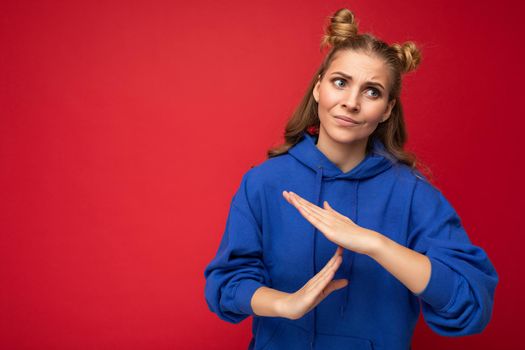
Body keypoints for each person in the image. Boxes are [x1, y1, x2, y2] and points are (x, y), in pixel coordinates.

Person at [203, 8, 499, 350]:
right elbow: (227, 284)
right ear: (318, 89)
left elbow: (470, 306)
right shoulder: (263, 183)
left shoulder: (414, 195)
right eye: (340, 82)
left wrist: (375, 244)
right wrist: (284, 304)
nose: (351, 103)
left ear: (387, 109)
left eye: (372, 91)